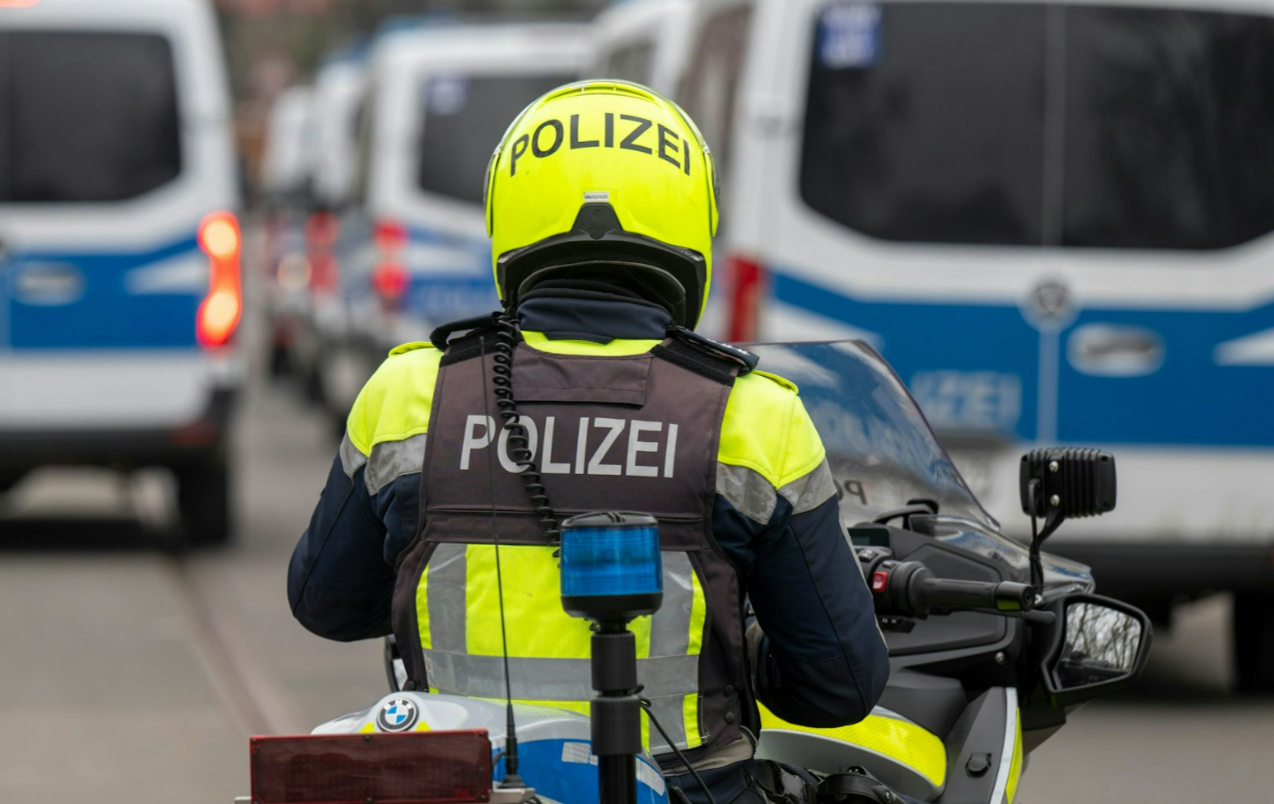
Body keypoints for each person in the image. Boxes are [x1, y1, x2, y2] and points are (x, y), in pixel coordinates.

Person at [289, 80, 888, 804]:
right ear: (691, 221)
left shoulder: (410, 396)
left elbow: (327, 604)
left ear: (507, 219)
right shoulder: (754, 417)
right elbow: (838, 686)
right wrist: (743, 638)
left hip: (468, 789)